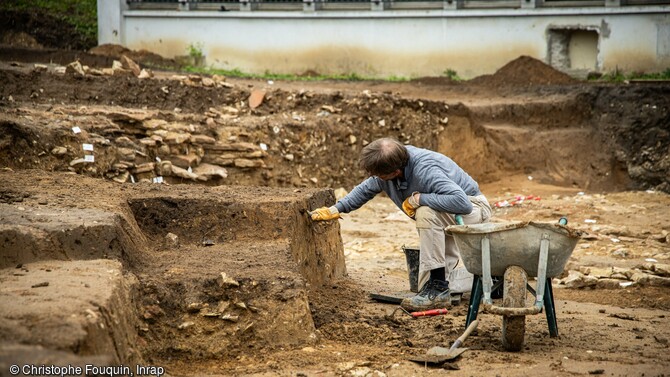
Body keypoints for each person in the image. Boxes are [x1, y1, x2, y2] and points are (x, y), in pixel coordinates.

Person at [311, 137, 492, 311]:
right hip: (444, 216)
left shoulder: (425, 170)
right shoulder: (392, 165)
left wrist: (420, 199)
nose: (375, 178)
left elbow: (463, 203)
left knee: (425, 211)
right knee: (422, 286)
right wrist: (335, 210)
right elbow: (364, 190)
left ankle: (438, 289)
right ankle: (489, 280)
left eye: (378, 175)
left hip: (472, 209)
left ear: (395, 172)